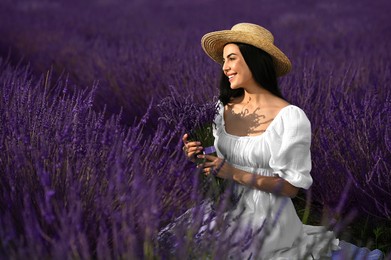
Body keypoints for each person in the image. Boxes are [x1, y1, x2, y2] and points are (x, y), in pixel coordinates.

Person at [181, 23, 383, 259]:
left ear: (254, 60)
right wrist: (200, 155)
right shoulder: (222, 108)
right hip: (231, 210)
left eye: (231, 58)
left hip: (271, 222)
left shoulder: (289, 117)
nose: (225, 67)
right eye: (224, 60)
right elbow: (228, 154)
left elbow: (290, 187)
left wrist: (233, 173)